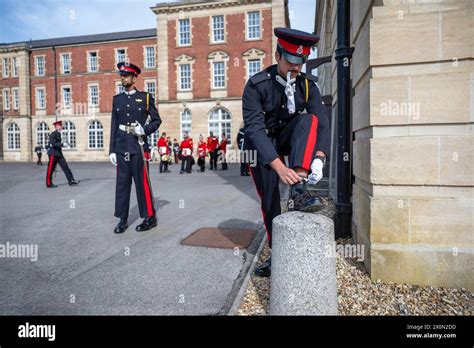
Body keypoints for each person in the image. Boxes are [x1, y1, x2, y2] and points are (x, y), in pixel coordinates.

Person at [243, 28, 330, 277]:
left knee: (309, 120)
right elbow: (256, 130)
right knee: (270, 199)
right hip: (260, 146)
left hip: (285, 137)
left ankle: (299, 189)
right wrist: (279, 167)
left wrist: (319, 158)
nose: (295, 68)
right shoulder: (257, 85)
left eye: (299, 63)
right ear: (277, 55)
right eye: (290, 62)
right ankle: (276, 252)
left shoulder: (307, 85)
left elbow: (320, 123)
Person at [109, 62, 162, 234]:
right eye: (121, 75)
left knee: (142, 183)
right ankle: (122, 219)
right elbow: (114, 125)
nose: (122, 78)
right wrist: (112, 150)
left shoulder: (145, 97)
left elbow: (156, 121)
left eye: (125, 75)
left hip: (138, 146)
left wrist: (144, 130)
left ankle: (149, 217)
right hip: (121, 146)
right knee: (122, 184)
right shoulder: (117, 99)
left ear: (134, 77)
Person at [45, 120, 80, 188]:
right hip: (53, 154)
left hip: (59, 154)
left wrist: (64, 144)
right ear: (57, 126)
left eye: (61, 125)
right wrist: (63, 144)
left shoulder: (58, 134)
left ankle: (71, 180)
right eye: (60, 125)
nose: (61, 127)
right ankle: (48, 183)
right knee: (50, 169)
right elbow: (54, 144)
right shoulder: (53, 134)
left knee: (65, 167)